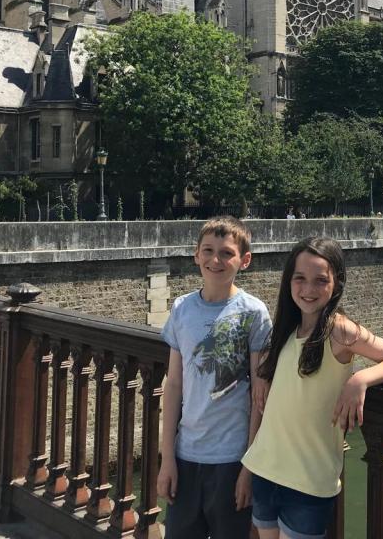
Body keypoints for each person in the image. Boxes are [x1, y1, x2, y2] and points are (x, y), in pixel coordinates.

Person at [242, 238, 383, 539]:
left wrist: (360, 379)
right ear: (288, 281)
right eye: (300, 278)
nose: (308, 289)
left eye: (320, 280)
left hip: (308, 480)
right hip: (265, 468)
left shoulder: (339, 330)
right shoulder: (285, 330)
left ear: (337, 283)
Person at [158, 216, 272, 539]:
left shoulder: (254, 313)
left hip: (231, 459)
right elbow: (174, 385)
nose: (215, 260)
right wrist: (167, 458)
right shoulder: (181, 308)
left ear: (244, 260)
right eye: (208, 251)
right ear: (196, 255)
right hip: (186, 454)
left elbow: (259, 395)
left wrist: (249, 467)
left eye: (226, 253)